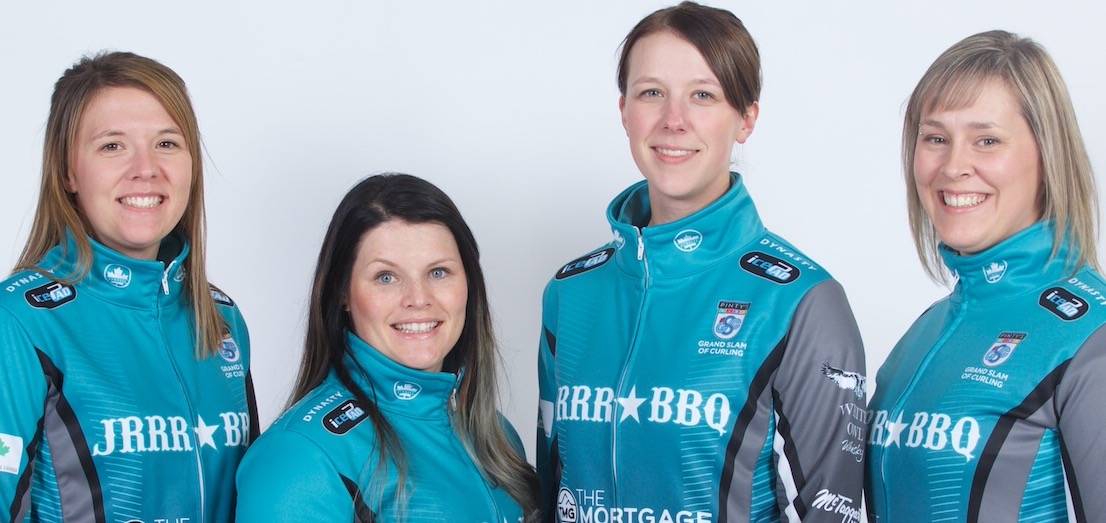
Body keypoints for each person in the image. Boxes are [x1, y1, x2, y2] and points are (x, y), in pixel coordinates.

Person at [536, 2, 866, 521]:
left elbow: (829, 513)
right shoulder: (569, 295)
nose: (674, 120)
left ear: (746, 118)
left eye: (703, 95)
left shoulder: (799, 301)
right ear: (624, 110)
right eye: (652, 93)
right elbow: (553, 494)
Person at [0, 52, 256, 521]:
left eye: (167, 143)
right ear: (68, 172)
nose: (146, 169)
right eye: (112, 146)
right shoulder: (19, 321)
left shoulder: (223, 321)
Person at [866, 30, 1106, 521]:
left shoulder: (1090, 336)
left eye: (987, 140)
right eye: (936, 139)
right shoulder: (927, 331)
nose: (954, 166)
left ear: (1046, 155)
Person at [235, 173, 539, 521]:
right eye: (386, 277)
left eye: (439, 272)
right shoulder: (300, 457)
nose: (418, 299)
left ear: (469, 284)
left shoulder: (496, 437)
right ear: (342, 293)